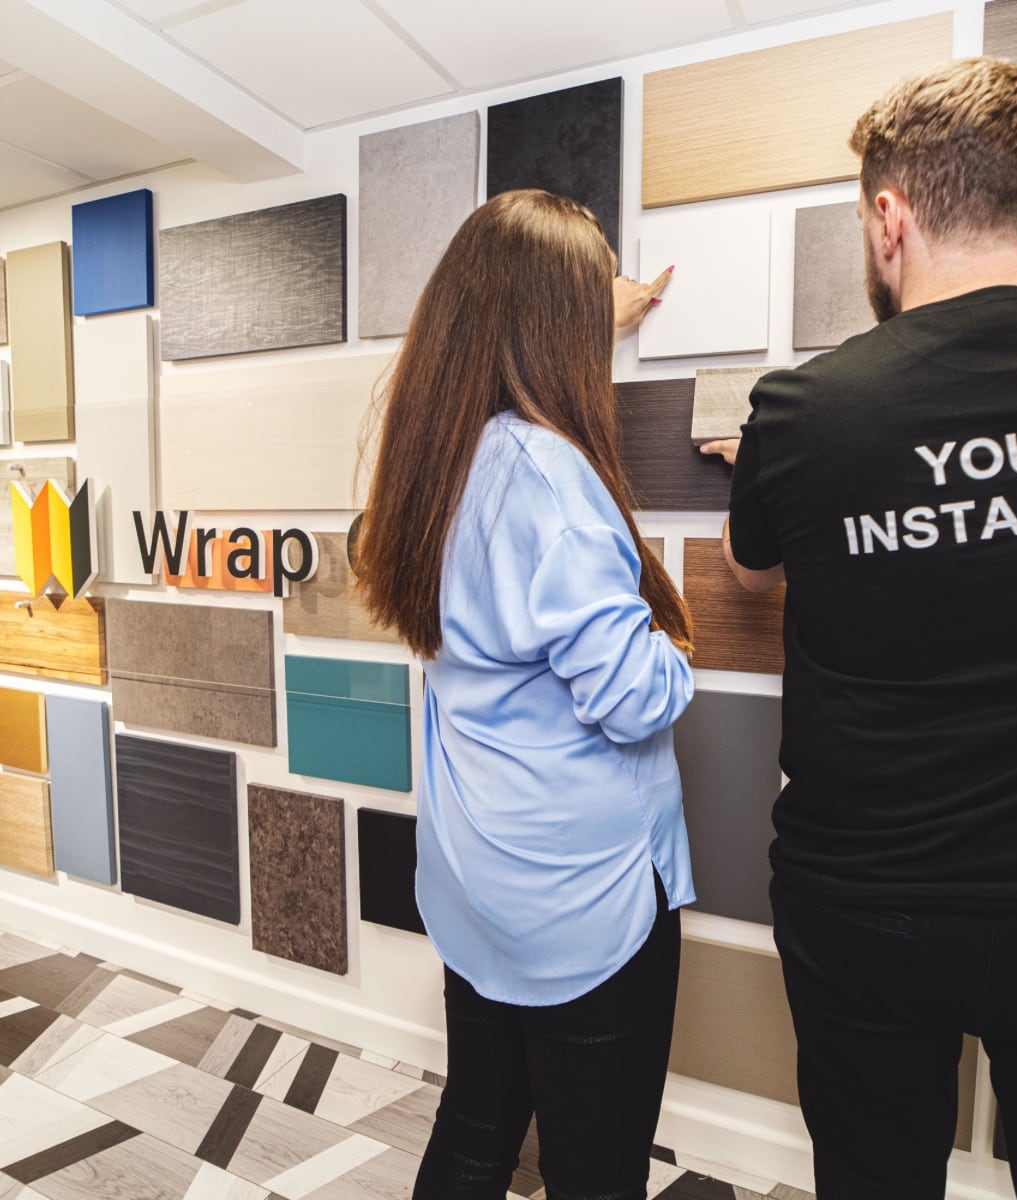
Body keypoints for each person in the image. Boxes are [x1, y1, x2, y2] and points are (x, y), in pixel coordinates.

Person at [703, 57, 1017, 1200]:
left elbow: (748, 565)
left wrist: (772, 467)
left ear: (890, 217)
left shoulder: (804, 411)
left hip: (870, 905)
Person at [353, 188, 695, 1200]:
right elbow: (635, 697)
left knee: (477, 1129)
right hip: (581, 898)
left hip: (479, 877)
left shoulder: (436, 455)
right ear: (556, 325)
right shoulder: (554, 479)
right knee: (597, 1172)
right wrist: (676, 644)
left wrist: (592, 312)